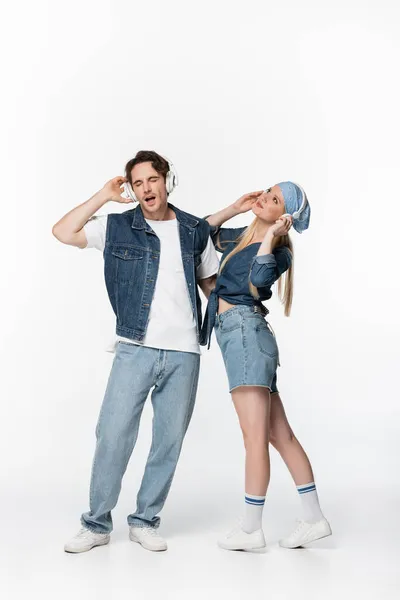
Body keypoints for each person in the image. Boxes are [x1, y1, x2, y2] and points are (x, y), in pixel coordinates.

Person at [52, 151, 219, 553]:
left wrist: (245, 323)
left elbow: (211, 286)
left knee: (168, 441)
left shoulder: (194, 229)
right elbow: (62, 231)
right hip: (135, 347)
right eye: (137, 183)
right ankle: (96, 524)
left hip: (183, 353)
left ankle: (145, 520)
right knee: (112, 435)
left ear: (167, 180)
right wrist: (103, 196)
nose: (146, 189)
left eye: (152, 180)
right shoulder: (117, 227)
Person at [204, 182, 332, 551]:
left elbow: (259, 282)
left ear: (285, 217)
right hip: (242, 337)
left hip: (245, 335)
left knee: (255, 437)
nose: (264, 198)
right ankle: (314, 519)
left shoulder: (279, 253)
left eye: (274, 200)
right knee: (279, 435)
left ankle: (250, 529)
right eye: (268, 191)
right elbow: (197, 234)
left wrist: (272, 236)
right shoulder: (238, 237)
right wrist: (234, 207)